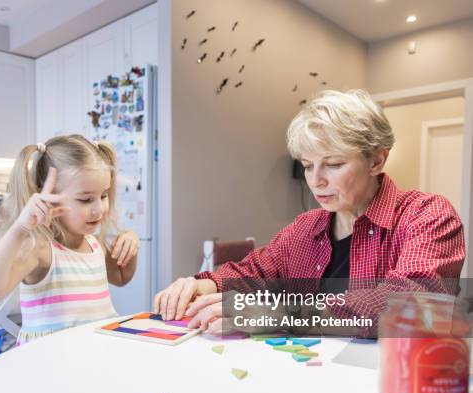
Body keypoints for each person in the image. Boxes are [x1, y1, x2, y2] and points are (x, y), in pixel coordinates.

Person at [153, 89, 465, 335]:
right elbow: (256, 272)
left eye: (333, 163)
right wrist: (202, 285)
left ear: (376, 161)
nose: (315, 180)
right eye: (307, 165)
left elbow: (408, 304)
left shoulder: (428, 215)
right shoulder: (305, 227)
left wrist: (281, 312)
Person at [0, 135, 140, 345]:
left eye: (103, 196)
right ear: (46, 195)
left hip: (95, 355)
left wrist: (131, 244)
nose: (99, 208)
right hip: (49, 363)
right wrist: (19, 229)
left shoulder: (95, 245)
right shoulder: (40, 251)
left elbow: (122, 277)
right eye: (85, 199)